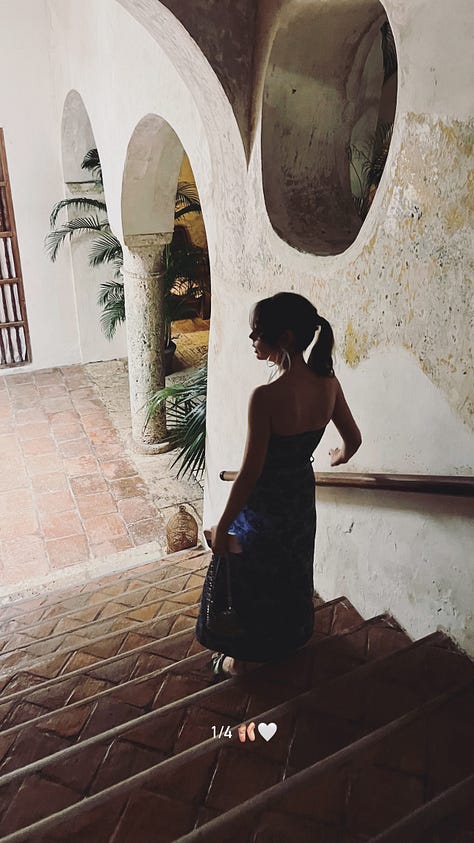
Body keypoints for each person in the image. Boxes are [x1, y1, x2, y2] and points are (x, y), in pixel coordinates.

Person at [195, 292, 362, 677]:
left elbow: (250, 472)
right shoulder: (328, 384)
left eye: (258, 332)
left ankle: (242, 658)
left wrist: (222, 524)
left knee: (253, 576)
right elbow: (353, 439)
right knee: (290, 569)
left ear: (284, 338)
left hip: (264, 505)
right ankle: (286, 641)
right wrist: (338, 455)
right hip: (300, 498)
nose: (252, 339)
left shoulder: (266, 397)